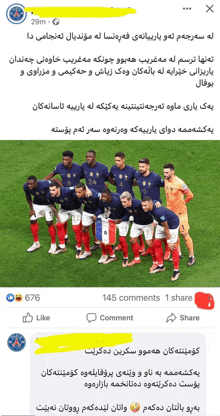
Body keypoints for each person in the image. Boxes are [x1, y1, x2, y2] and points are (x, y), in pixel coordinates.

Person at [44, 151, 84, 244]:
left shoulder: (78, 168)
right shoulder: (59, 167)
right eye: (63, 159)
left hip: (75, 197)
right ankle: (65, 237)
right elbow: (52, 174)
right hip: (62, 195)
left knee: (77, 222)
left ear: (71, 159)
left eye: (67, 159)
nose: (64, 161)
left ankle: (79, 242)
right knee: (62, 218)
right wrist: (42, 182)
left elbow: (84, 177)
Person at [134, 158, 170, 260]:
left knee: (161, 229)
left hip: (156, 207)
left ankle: (167, 249)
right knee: (150, 229)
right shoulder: (137, 175)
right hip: (145, 207)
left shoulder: (155, 177)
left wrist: (167, 201)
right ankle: (151, 248)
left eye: (143, 166)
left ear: (148, 166)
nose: (140, 169)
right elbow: (136, 182)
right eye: (140, 166)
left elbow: (166, 186)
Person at [109, 152, 145, 252]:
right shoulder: (113, 169)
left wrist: (130, 183)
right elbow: (110, 178)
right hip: (120, 200)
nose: (117, 162)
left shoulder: (131, 170)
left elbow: (139, 180)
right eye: (116, 160)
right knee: (121, 221)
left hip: (130, 201)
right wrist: (115, 184)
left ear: (123, 160)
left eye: (119, 160)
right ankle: (121, 244)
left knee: (135, 221)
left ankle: (142, 244)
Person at [142, 197, 180, 281]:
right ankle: (161, 266)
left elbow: (166, 227)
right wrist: (157, 201)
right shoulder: (152, 205)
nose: (143, 207)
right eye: (143, 205)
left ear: (150, 204)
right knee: (156, 243)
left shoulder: (159, 212)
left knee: (172, 247)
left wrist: (169, 241)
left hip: (172, 224)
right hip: (161, 223)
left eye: (145, 205)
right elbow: (154, 200)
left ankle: (176, 271)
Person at [163, 163, 195, 266]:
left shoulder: (180, 183)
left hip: (181, 214)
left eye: (167, 172)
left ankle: (191, 256)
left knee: (184, 234)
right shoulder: (166, 181)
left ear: (173, 172)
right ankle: (178, 253)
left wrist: (183, 203)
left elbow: (190, 195)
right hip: (170, 213)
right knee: (174, 235)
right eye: (164, 172)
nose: (165, 174)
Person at [81, 150, 111, 251]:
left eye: (90, 157)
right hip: (90, 198)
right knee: (93, 221)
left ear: (95, 158)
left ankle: (110, 244)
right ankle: (97, 242)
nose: (88, 159)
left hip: (101, 199)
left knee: (103, 223)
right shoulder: (83, 166)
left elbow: (108, 179)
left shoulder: (103, 168)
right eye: (87, 157)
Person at [92, 189, 129, 266]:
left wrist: (121, 219)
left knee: (122, 240)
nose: (103, 198)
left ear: (110, 196)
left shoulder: (118, 201)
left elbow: (128, 212)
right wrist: (95, 215)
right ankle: (109, 255)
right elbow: (101, 210)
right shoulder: (102, 201)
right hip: (112, 218)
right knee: (104, 236)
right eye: (102, 196)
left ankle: (125, 257)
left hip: (122, 220)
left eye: (104, 197)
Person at [120, 192, 157, 269]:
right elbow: (129, 213)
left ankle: (156, 262)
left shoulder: (138, 204)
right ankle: (137, 259)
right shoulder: (127, 206)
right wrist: (121, 219)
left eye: (124, 202)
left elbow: (149, 204)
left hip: (147, 224)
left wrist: (157, 202)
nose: (123, 204)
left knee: (149, 242)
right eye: (122, 202)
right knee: (132, 240)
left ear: (130, 200)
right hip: (136, 223)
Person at [47, 181, 82, 257]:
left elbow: (79, 187)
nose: (51, 192)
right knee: (59, 225)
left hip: (75, 209)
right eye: (50, 190)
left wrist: (88, 190)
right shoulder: (50, 196)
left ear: (58, 189)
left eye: (53, 190)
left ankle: (79, 248)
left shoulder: (66, 190)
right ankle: (62, 246)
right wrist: (58, 217)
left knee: (76, 228)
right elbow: (53, 206)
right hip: (64, 209)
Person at [23, 176, 56, 253]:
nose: (29, 186)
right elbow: (28, 197)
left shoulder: (45, 184)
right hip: (37, 204)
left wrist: (53, 206)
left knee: (49, 222)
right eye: (28, 184)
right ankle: (36, 243)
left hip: (48, 204)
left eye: (31, 184)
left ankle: (53, 244)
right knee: (32, 220)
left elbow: (54, 181)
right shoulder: (26, 187)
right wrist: (32, 210)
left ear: (36, 183)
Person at [74, 182, 101, 260]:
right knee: (84, 229)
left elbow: (103, 204)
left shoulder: (94, 195)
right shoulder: (76, 194)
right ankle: (87, 251)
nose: (77, 194)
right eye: (76, 192)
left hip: (98, 212)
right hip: (87, 211)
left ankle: (106, 253)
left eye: (79, 192)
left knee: (101, 231)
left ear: (84, 191)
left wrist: (96, 214)